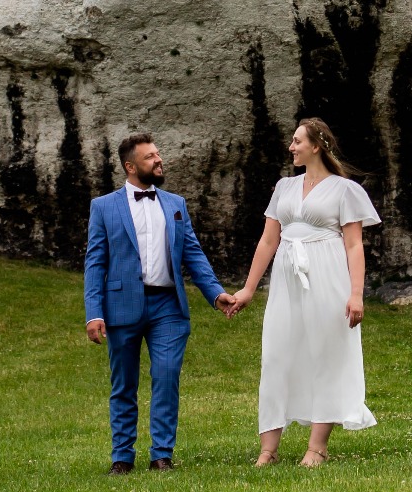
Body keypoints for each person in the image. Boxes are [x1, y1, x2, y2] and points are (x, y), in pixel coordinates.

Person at [224, 117, 381, 466]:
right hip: (286, 279)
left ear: (316, 146)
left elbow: (354, 245)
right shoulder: (284, 187)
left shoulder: (345, 190)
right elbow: (268, 240)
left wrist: (356, 294)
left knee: (326, 353)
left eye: (297, 141)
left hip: (327, 275)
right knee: (276, 354)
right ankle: (268, 449)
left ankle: (317, 447)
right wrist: (248, 289)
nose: (291, 147)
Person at [83, 132, 235, 473]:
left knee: (166, 377)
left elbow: (192, 253)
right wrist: (94, 313)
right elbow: (95, 263)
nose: (158, 160)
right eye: (150, 157)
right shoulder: (103, 207)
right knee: (124, 384)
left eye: (157, 154)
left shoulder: (175, 204)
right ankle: (122, 458)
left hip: (168, 306)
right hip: (121, 306)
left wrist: (215, 293)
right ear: (130, 166)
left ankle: (161, 455)